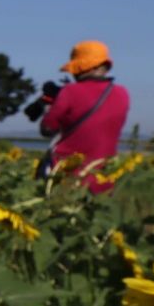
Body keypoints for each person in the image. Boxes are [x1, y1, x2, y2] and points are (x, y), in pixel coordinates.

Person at [36, 40, 130, 193]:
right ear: (105, 66)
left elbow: (47, 129)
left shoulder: (70, 92)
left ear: (80, 68)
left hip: (65, 177)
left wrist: (49, 107)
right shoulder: (122, 93)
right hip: (103, 178)